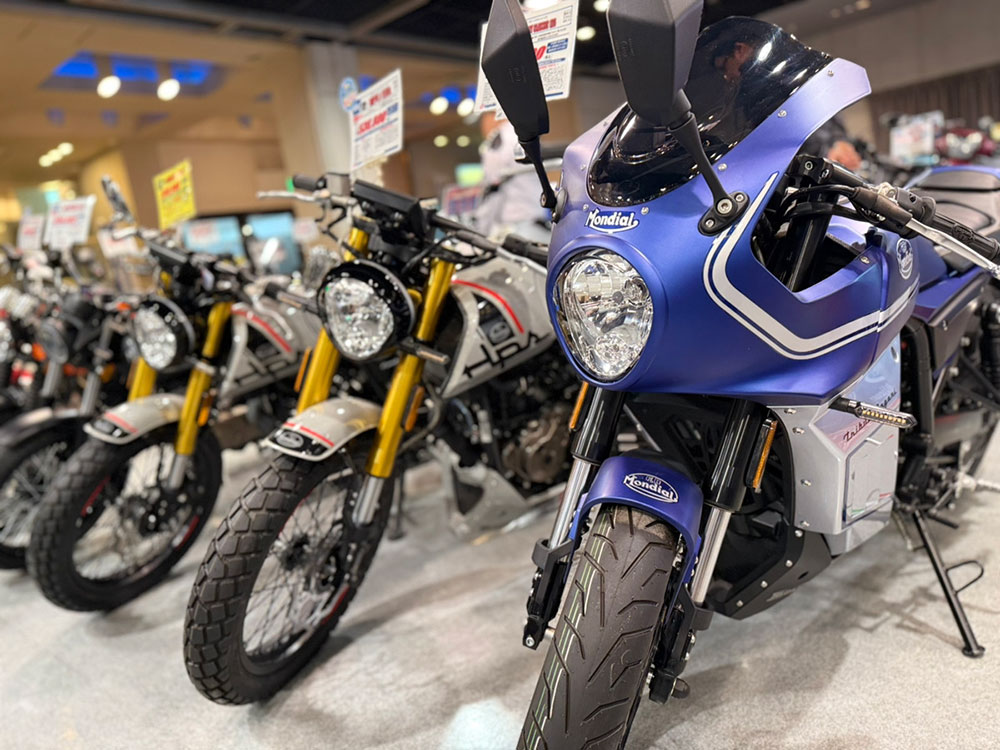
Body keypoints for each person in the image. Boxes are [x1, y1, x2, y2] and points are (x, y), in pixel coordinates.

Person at [474, 111, 551, 241]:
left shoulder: (499, 141)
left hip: (515, 228)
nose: (482, 127)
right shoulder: (523, 134)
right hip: (536, 222)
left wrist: (481, 231)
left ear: (492, 116)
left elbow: (493, 190)